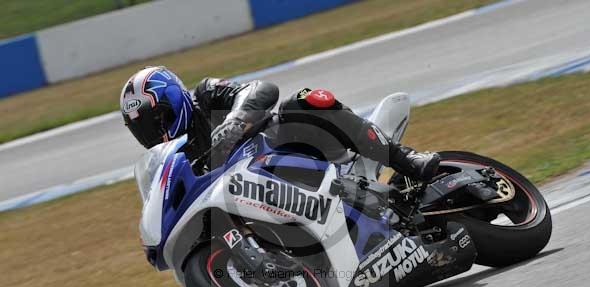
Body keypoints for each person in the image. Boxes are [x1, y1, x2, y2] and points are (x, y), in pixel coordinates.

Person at [120, 66, 440, 180]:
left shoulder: (204, 94)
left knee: (305, 100)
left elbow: (260, 89)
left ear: (175, 100)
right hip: (259, 196)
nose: (154, 132)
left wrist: (235, 121)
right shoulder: (174, 162)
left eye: (157, 119)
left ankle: (405, 158)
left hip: (291, 150)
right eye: (142, 129)